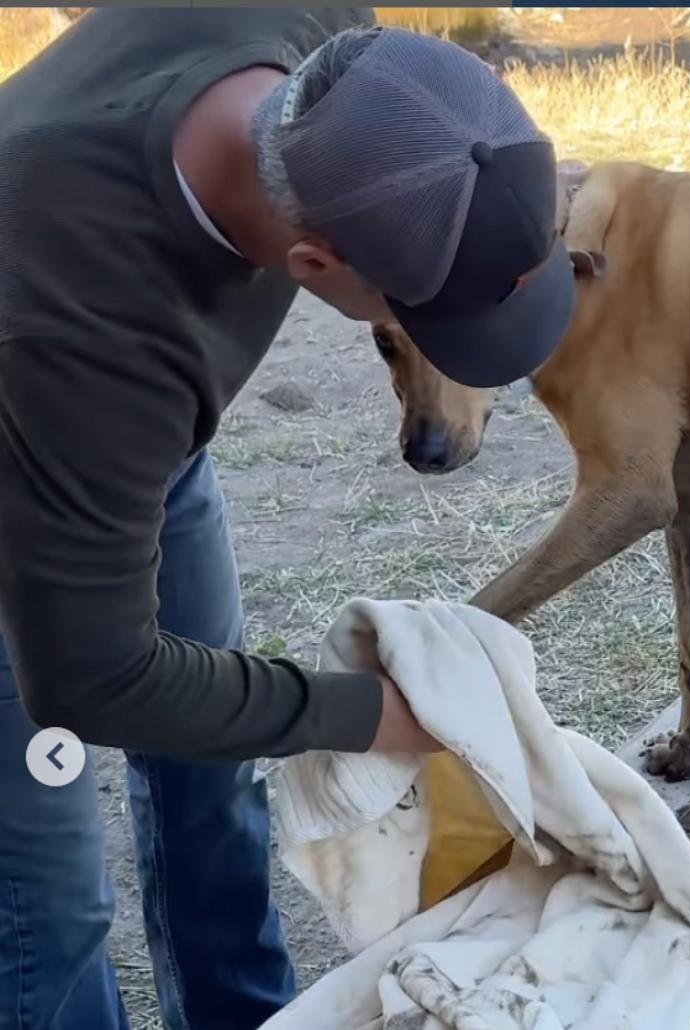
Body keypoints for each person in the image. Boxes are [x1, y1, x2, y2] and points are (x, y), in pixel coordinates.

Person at [0, 9, 576, 1029]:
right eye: (425, 319)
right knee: (47, 906)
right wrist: (372, 713)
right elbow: (100, 680)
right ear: (310, 264)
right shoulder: (89, 332)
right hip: (32, 455)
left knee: (209, 771)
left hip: (128, 436)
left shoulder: (326, 54)